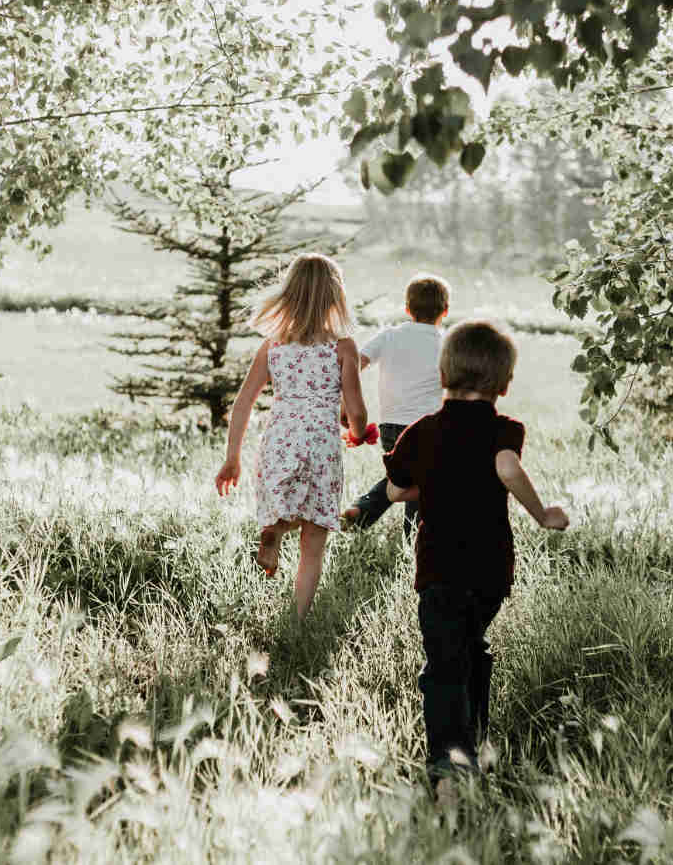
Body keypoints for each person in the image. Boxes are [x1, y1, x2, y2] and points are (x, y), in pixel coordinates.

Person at [382, 320, 569, 790]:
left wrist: (433, 482)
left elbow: (395, 488)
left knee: (444, 664)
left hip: (440, 567)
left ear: (443, 372)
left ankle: (450, 766)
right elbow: (505, 465)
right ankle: (477, 737)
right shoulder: (505, 428)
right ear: (503, 382)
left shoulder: (422, 431)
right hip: (490, 570)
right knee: (471, 647)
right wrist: (542, 513)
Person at [215, 254, 367, 618]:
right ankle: (298, 619)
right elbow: (357, 411)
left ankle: (274, 529)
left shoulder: (273, 346)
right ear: (335, 297)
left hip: (280, 437)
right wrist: (357, 432)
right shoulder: (343, 347)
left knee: (283, 502)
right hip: (320, 443)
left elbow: (243, 403)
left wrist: (232, 457)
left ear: (289, 295)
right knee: (313, 540)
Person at [340, 273, 451, 536]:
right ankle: (413, 537)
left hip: (391, 425)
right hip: (429, 425)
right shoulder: (445, 343)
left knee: (405, 475)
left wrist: (346, 400)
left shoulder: (389, 336)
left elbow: (355, 362)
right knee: (422, 479)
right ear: (445, 311)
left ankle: (362, 511)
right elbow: (452, 381)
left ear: (407, 309)